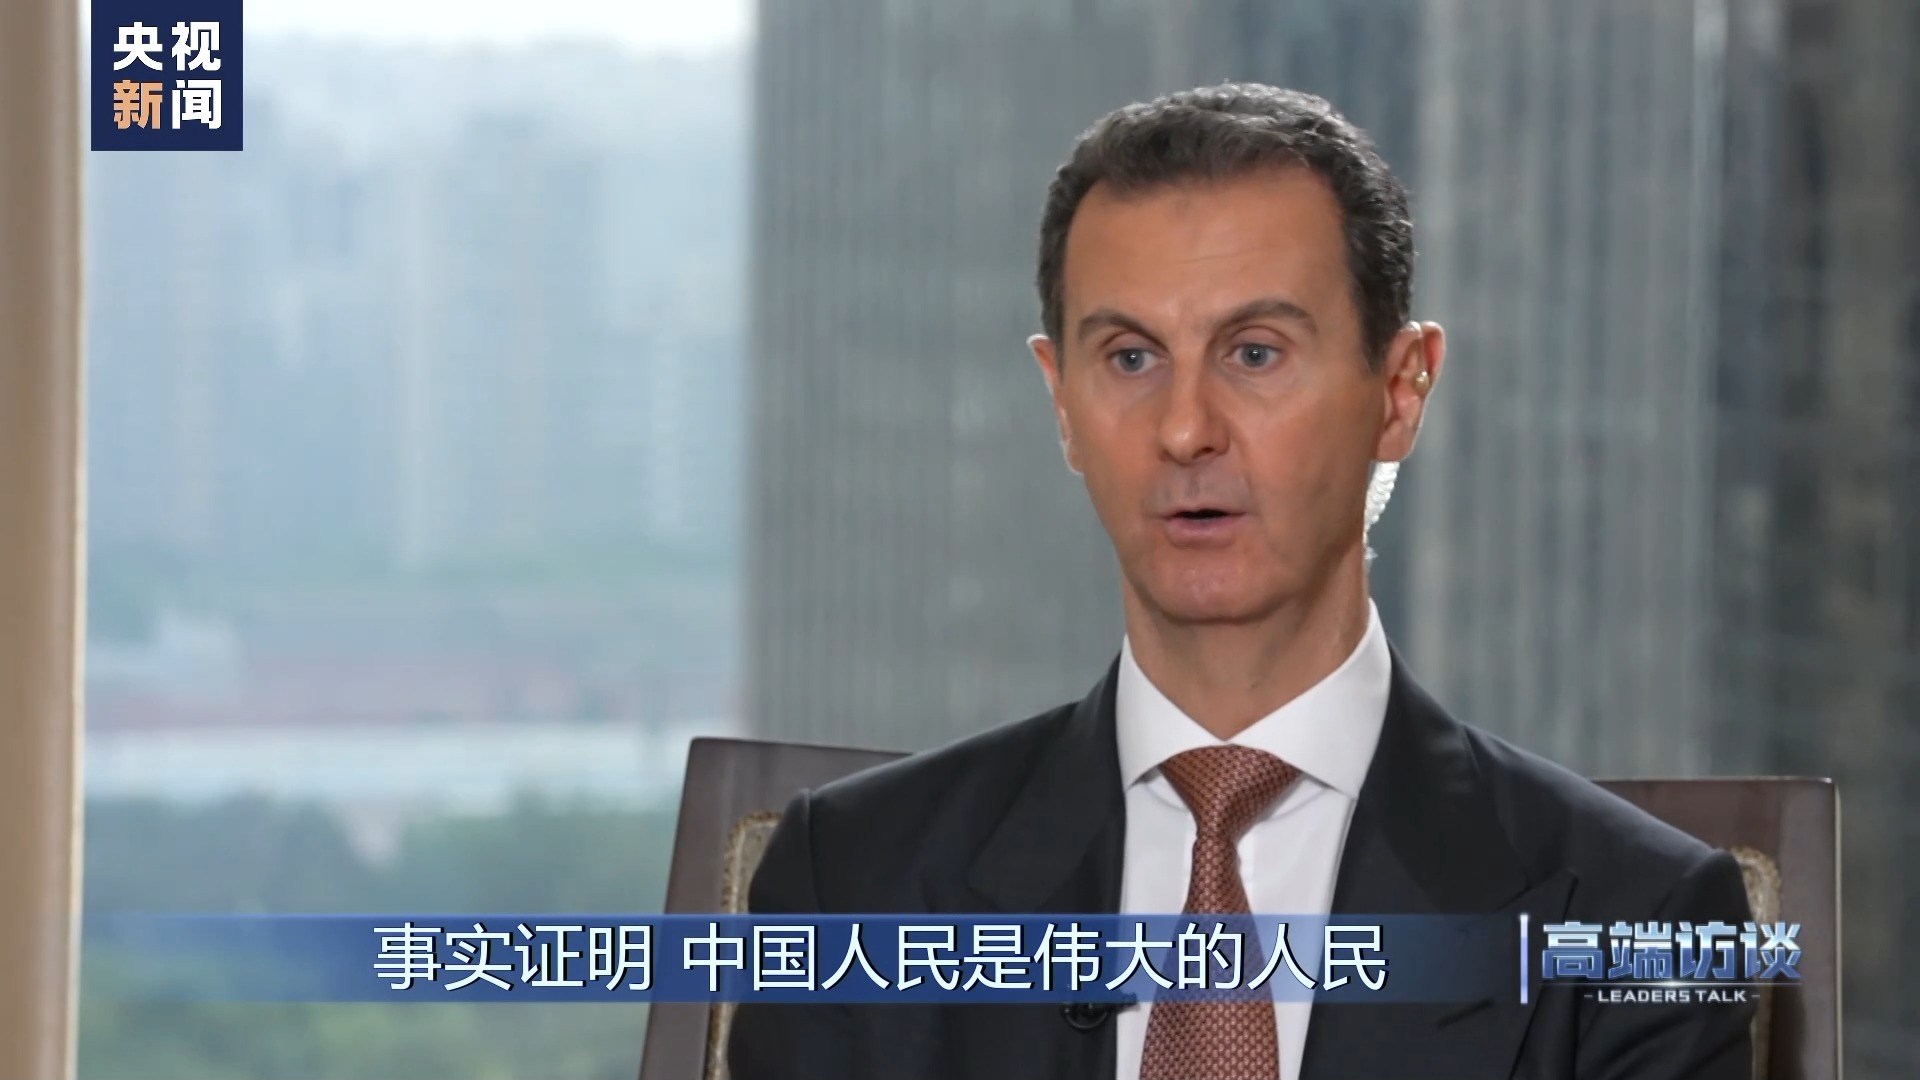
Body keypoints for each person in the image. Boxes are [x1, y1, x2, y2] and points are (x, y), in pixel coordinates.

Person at [728, 82, 1754, 1080]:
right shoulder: (850, 884)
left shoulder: (1639, 921)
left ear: (1400, 392)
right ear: (1061, 403)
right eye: (1131, 359)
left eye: (1255, 354)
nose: (1185, 430)